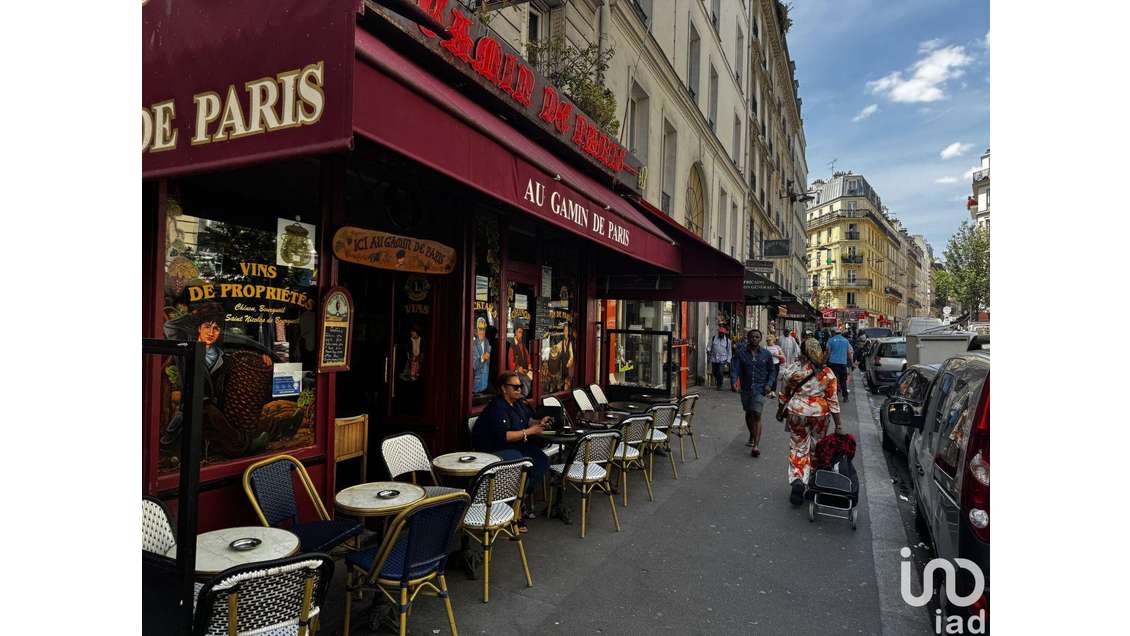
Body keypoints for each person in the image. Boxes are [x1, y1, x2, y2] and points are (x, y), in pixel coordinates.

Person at [777, 337, 844, 505]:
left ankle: (798, 479)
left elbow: (784, 392)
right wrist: (839, 424)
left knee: (798, 446)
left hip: (796, 412)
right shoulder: (827, 373)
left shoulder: (794, 369)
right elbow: (833, 400)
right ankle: (814, 482)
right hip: (819, 414)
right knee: (816, 446)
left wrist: (780, 410)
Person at [472, 371, 553, 495]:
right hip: (495, 449)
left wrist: (539, 422)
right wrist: (530, 431)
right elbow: (505, 436)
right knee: (524, 462)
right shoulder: (497, 408)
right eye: (515, 387)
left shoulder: (517, 403)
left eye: (520, 386)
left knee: (541, 460)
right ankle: (515, 499)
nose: (519, 390)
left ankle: (521, 496)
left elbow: (528, 420)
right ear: (504, 389)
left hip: (516, 446)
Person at [730, 328, 778, 457]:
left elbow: (772, 371)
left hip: (760, 388)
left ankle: (756, 446)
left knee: (756, 414)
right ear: (748, 338)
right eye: (752, 337)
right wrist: (734, 381)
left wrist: (769, 385)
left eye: (757, 337)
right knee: (748, 412)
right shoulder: (741, 353)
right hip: (745, 389)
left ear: (760, 339)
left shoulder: (766, 354)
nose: (754, 339)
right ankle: (752, 434)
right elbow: (735, 369)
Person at [824, 327, 854, 402]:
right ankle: (845, 397)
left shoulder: (830, 340)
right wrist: (852, 363)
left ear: (833, 332)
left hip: (832, 363)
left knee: (833, 380)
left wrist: (823, 361)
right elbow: (849, 353)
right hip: (843, 364)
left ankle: (834, 396)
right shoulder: (846, 341)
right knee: (843, 381)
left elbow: (828, 352)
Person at [508, 325, 533, 397]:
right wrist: (518, 368)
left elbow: (527, 356)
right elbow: (510, 362)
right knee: (525, 380)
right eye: (519, 332)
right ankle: (523, 397)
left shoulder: (522, 344)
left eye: (522, 333)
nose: (521, 334)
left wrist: (529, 364)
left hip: (524, 370)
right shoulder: (512, 345)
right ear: (515, 332)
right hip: (515, 372)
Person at [708, 326, 734, 391]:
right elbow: (709, 346)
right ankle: (718, 380)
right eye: (720, 333)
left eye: (722, 333)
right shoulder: (714, 338)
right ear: (718, 333)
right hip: (714, 358)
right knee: (714, 372)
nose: (721, 334)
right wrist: (708, 350)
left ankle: (719, 384)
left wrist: (728, 360)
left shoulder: (728, 341)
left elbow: (729, 351)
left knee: (720, 372)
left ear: (724, 333)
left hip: (723, 359)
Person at [472, 317, 491, 394]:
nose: (482, 332)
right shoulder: (473, 343)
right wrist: (482, 358)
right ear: (476, 330)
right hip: (476, 384)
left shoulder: (487, 341)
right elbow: (473, 365)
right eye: (480, 329)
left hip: (485, 382)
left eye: (483, 329)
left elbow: (488, 363)